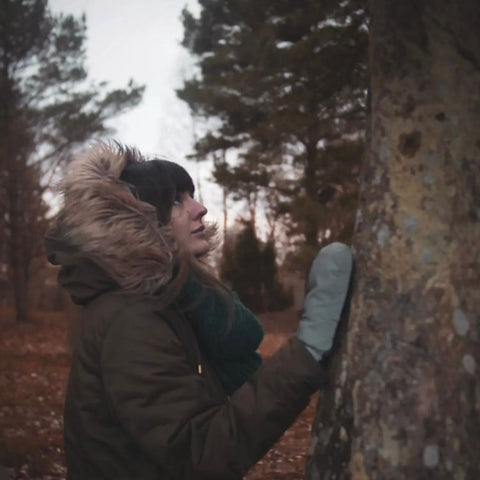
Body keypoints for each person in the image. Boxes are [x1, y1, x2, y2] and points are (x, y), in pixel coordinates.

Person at [45, 142, 353, 480]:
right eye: (177, 200)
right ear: (136, 223)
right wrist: (307, 350)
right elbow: (200, 451)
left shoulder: (164, 302)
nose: (201, 208)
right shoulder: (130, 319)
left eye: (191, 195)